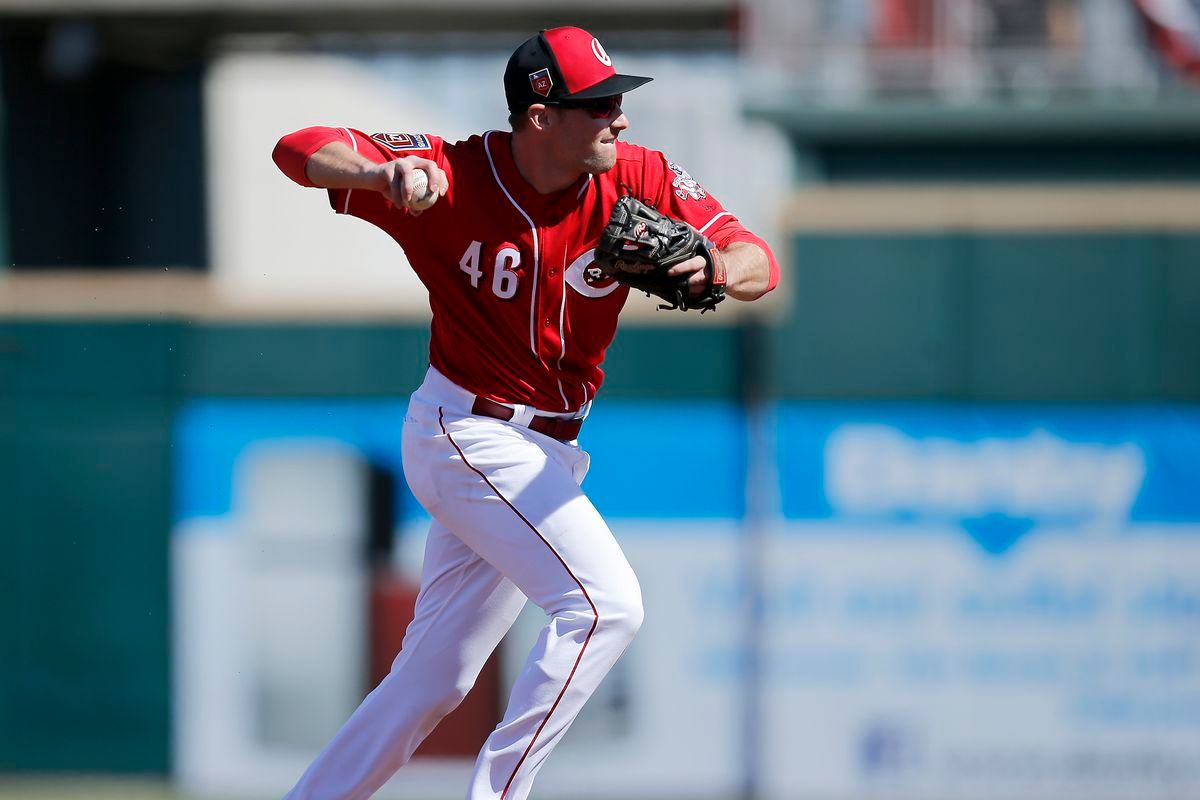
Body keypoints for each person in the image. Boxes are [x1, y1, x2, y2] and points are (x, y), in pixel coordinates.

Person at [271, 25, 779, 800]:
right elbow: (295, 147)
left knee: (434, 678)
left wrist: (713, 265)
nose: (621, 117)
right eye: (600, 103)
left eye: (618, 99)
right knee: (606, 608)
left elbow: (758, 261)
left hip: (548, 450)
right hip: (465, 431)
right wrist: (380, 175)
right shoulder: (454, 176)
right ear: (540, 116)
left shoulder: (637, 176)